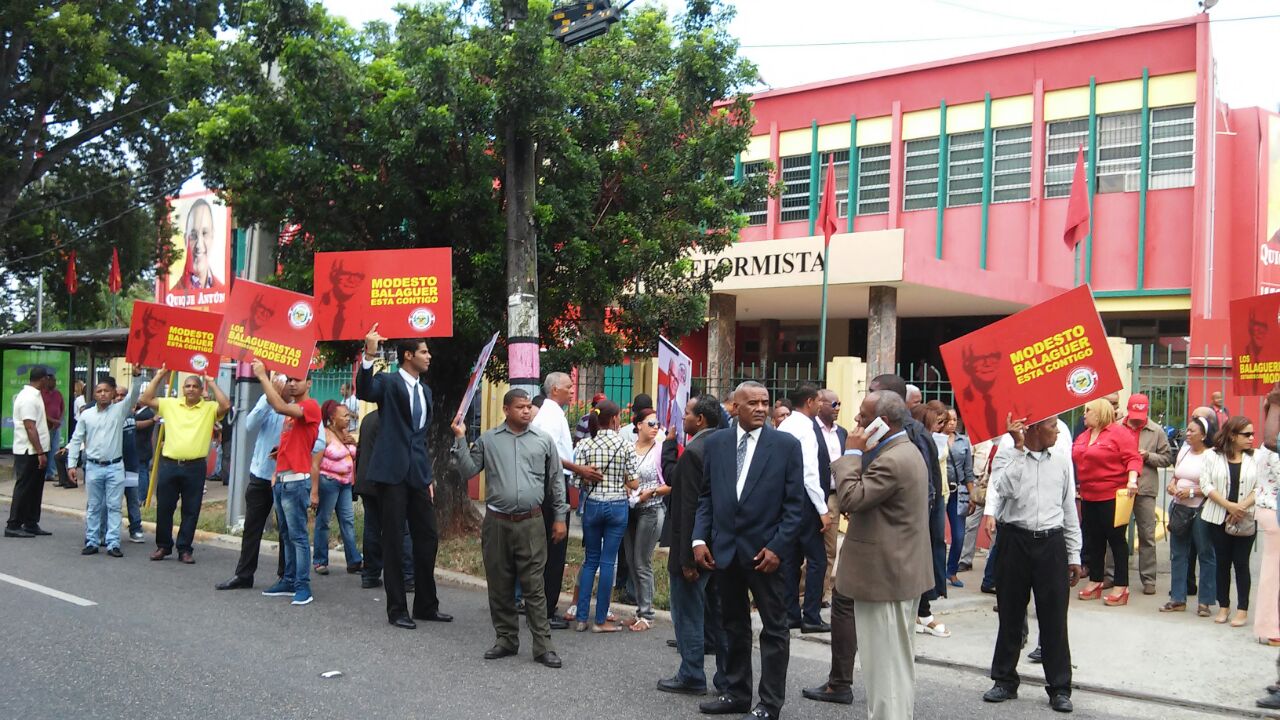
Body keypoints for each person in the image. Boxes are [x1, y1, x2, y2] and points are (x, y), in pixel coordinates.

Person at [813, 390, 932, 717]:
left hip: (884, 578)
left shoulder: (893, 459)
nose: (855, 422)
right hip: (897, 573)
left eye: (863, 418)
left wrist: (850, 454)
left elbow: (850, 498)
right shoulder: (902, 450)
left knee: (884, 673)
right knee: (896, 665)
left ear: (883, 423)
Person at [692, 381, 804, 720]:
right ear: (734, 407)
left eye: (764, 402)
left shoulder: (786, 445)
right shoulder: (717, 443)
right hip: (725, 551)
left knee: (774, 628)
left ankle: (769, 704)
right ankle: (736, 693)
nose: (760, 408)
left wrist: (777, 547)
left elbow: (795, 506)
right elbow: (707, 496)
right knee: (733, 625)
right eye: (752, 402)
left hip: (765, 555)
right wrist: (699, 540)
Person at [451, 389, 567, 668]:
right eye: (520, 407)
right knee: (499, 583)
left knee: (534, 586)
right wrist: (460, 438)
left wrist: (561, 516)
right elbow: (468, 470)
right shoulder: (489, 440)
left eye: (529, 406)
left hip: (532, 522)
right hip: (498, 522)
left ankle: (543, 646)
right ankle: (506, 638)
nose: (526, 411)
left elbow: (556, 480)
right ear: (506, 410)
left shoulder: (543, 440)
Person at [981, 415, 1082, 714]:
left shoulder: (1062, 460)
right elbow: (1003, 490)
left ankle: (1060, 687)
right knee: (1010, 614)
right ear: (1036, 429)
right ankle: (1004, 680)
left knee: (1054, 618)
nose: (1057, 432)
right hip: (1014, 540)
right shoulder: (1008, 454)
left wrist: (1074, 554)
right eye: (1052, 428)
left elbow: (1068, 509)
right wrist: (1018, 449)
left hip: (1051, 542)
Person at [356, 325, 450, 629]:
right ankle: (397, 609)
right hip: (391, 474)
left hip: (418, 475)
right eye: (424, 351)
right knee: (394, 540)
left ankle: (425, 604)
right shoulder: (389, 382)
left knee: (428, 538)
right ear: (408, 355)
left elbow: (419, 438)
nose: (429, 356)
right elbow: (365, 391)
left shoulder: (426, 390)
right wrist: (369, 355)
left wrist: (428, 476)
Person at [658, 395, 728, 696]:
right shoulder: (727, 445)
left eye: (686, 413)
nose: (682, 418)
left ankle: (691, 674)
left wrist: (685, 558)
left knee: (687, 611)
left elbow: (688, 508)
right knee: (718, 614)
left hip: (694, 549)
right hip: (721, 547)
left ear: (700, 420)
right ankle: (725, 677)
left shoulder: (695, 452)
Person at [529, 371, 602, 629]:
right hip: (551, 488)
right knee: (553, 550)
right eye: (569, 387)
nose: (573, 390)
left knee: (550, 551)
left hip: (553, 485)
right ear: (554, 390)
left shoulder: (553, 412)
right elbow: (546, 453)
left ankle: (543, 608)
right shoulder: (549, 415)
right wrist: (579, 469)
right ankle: (545, 611)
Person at [139, 368, 230, 563]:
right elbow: (146, 399)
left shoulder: (209, 407)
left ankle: (184, 549)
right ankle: (163, 546)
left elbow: (225, 404)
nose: (191, 389)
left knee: (191, 509)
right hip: (169, 464)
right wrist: (161, 374)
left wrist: (212, 382)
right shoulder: (170, 404)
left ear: (200, 390)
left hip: (195, 467)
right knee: (164, 508)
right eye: (187, 386)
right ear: (182, 389)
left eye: (195, 386)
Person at [250, 360, 322, 606]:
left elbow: (278, 406)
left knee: (298, 536)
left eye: (296, 380)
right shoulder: (293, 412)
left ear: (308, 383)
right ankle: (289, 580)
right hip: (281, 481)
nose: (291, 384)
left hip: (295, 482)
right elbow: (296, 442)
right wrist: (279, 454)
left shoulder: (310, 406)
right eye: (289, 380)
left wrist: (262, 377)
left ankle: (303, 586)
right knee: (287, 534)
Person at [215, 374, 293, 591]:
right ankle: (244, 574)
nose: (287, 386)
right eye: (282, 382)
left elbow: (315, 442)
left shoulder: (299, 408)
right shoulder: (266, 403)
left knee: (286, 530)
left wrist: (286, 452)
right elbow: (249, 425)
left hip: (286, 477)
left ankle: (285, 576)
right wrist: (269, 399)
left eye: (289, 383)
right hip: (261, 475)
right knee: (252, 528)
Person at [571, 399, 637, 632]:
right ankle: (600, 620)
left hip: (593, 505)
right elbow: (634, 481)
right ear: (614, 419)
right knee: (608, 562)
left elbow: (575, 479)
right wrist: (624, 481)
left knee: (590, 560)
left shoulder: (584, 446)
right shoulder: (626, 445)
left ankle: (581, 618)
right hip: (617, 506)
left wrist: (590, 478)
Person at [775, 382, 831, 633]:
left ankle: (790, 614)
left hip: (787, 499)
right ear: (809, 402)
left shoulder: (786, 424)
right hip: (806, 500)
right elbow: (809, 471)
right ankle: (811, 615)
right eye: (819, 400)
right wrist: (822, 509)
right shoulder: (806, 428)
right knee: (817, 560)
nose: (821, 404)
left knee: (790, 559)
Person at [68, 372, 142, 557]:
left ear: (113, 394)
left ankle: (113, 543)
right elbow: (76, 439)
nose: (102, 394)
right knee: (93, 506)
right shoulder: (86, 415)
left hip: (115, 467)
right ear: (94, 394)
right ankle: (92, 541)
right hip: (93, 467)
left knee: (114, 506)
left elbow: (134, 395)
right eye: (99, 391)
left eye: (106, 391)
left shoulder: (119, 411)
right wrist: (71, 465)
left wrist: (137, 377)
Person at [1200, 415, 1260, 627]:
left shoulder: (1257, 457)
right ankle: (1223, 605)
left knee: (1241, 563)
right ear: (1233, 436)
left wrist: (1240, 507)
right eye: (1246, 434)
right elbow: (1205, 484)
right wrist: (1228, 505)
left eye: (1252, 434)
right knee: (1222, 563)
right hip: (1218, 516)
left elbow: (1261, 487)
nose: (1252, 438)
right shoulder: (1212, 456)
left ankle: (1242, 609)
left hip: (1246, 518)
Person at [1162, 416, 1219, 616]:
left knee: (1205, 553)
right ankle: (1177, 598)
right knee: (1178, 553)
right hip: (1180, 508)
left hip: (1200, 509)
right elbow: (1177, 475)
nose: (1188, 433)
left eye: (1192, 431)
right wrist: (1172, 485)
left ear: (1203, 435)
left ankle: (1205, 601)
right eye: (1187, 430)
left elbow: (1215, 485)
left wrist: (1192, 493)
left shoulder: (1212, 456)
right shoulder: (1184, 451)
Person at [354, 407, 414, 591]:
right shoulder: (395, 419)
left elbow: (360, 450)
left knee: (372, 528)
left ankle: (370, 574)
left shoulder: (368, 419)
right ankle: (407, 577)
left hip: (366, 480)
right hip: (387, 482)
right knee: (402, 529)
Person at [1118, 394, 1173, 595]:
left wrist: (1148, 456)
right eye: (1134, 414)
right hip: (1120, 487)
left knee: (1147, 535)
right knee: (1114, 533)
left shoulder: (1156, 431)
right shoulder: (1117, 427)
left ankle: (1149, 579)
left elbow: (1167, 458)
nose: (1137, 419)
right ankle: (1110, 575)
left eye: (1141, 415)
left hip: (1145, 488)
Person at [624, 407, 669, 631]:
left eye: (657, 424)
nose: (655, 428)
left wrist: (650, 493)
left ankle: (647, 614)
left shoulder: (660, 450)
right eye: (650, 423)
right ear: (638, 425)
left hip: (651, 509)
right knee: (631, 560)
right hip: (630, 509)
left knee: (643, 561)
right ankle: (640, 610)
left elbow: (671, 483)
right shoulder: (628, 449)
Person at [313, 400, 364, 576]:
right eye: (345, 416)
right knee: (324, 521)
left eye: (349, 415)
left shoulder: (347, 434)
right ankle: (320, 560)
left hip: (345, 484)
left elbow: (353, 457)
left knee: (348, 521)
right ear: (333, 418)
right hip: (329, 482)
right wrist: (314, 490)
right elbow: (316, 463)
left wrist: (354, 445)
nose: (348, 419)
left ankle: (354, 561)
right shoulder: (325, 435)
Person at [6, 367, 53, 538]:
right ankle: (14, 524)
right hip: (28, 451)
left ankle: (31, 522)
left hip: (37, 450)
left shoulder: (35, 395)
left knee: (35, 488)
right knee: (24, 487)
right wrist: (40, 452)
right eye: (48, 379)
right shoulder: (27, 398)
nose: (50, 382)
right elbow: (30, 426)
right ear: (42, 379)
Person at [814, 388, 847, 606]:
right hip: (813, 494)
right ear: (819, 404)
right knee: (809, 548)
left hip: (835, 496)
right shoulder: (810, 429)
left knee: (829, 549)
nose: (837, 409)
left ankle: (822, 593)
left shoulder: (842, 433)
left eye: (839, 404)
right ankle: (802, 592)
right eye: (833, 404)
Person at [1253, 432, 1279, 645]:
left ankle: (1269, 625)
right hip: (1274, 510)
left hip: (1267, 508)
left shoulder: (1267, 444)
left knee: (1272, 571)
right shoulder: (1274, 445)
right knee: (1274, 572)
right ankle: (1270, 627)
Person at [944, 407, 975, 587]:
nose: (952, 423)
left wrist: (972, 494)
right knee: (938, 536)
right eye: (948, 420)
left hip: (958, 491)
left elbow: (968, 472)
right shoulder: (935, 439)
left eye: (954, 419)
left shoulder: (964, 442)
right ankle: (937, 572)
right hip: (940, 492)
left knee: (959, 535)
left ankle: (952, 571)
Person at [173, 198, 225, 292]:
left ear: (212, 236)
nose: (199, 245)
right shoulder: (174, 295)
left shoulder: (222, 290)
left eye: (204, 233)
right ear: (185, 240)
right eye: (193, 236)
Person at [116, 384, 145, 543]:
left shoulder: (131, 415)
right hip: (114, 466)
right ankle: (107, 530)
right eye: (117, 395)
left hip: (131, 466)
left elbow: (137, 426)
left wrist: (152, 420)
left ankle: (135, 528)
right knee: (113, 501)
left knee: (132, 498)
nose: (120, 398)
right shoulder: (111, 415)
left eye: (123, 395)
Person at [318, 259, 367, 340]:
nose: (351, 280)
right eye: (346, 273)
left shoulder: (365, 312)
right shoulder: (317, 303)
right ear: (333, 275)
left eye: (358, 276)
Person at [41, 375, 64, 483]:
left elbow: (62, 407)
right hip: (45, 427)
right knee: (45, 450)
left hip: (56, 427)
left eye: (55, 380)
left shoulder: (58, 394)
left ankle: (51, 473)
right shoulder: (41, 394)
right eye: (52, 380)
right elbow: (41, 411)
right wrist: (52, 420)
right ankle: (44, 473)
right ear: (47, 381)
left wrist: (59, 420)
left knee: (55, 450)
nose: (54, 383)